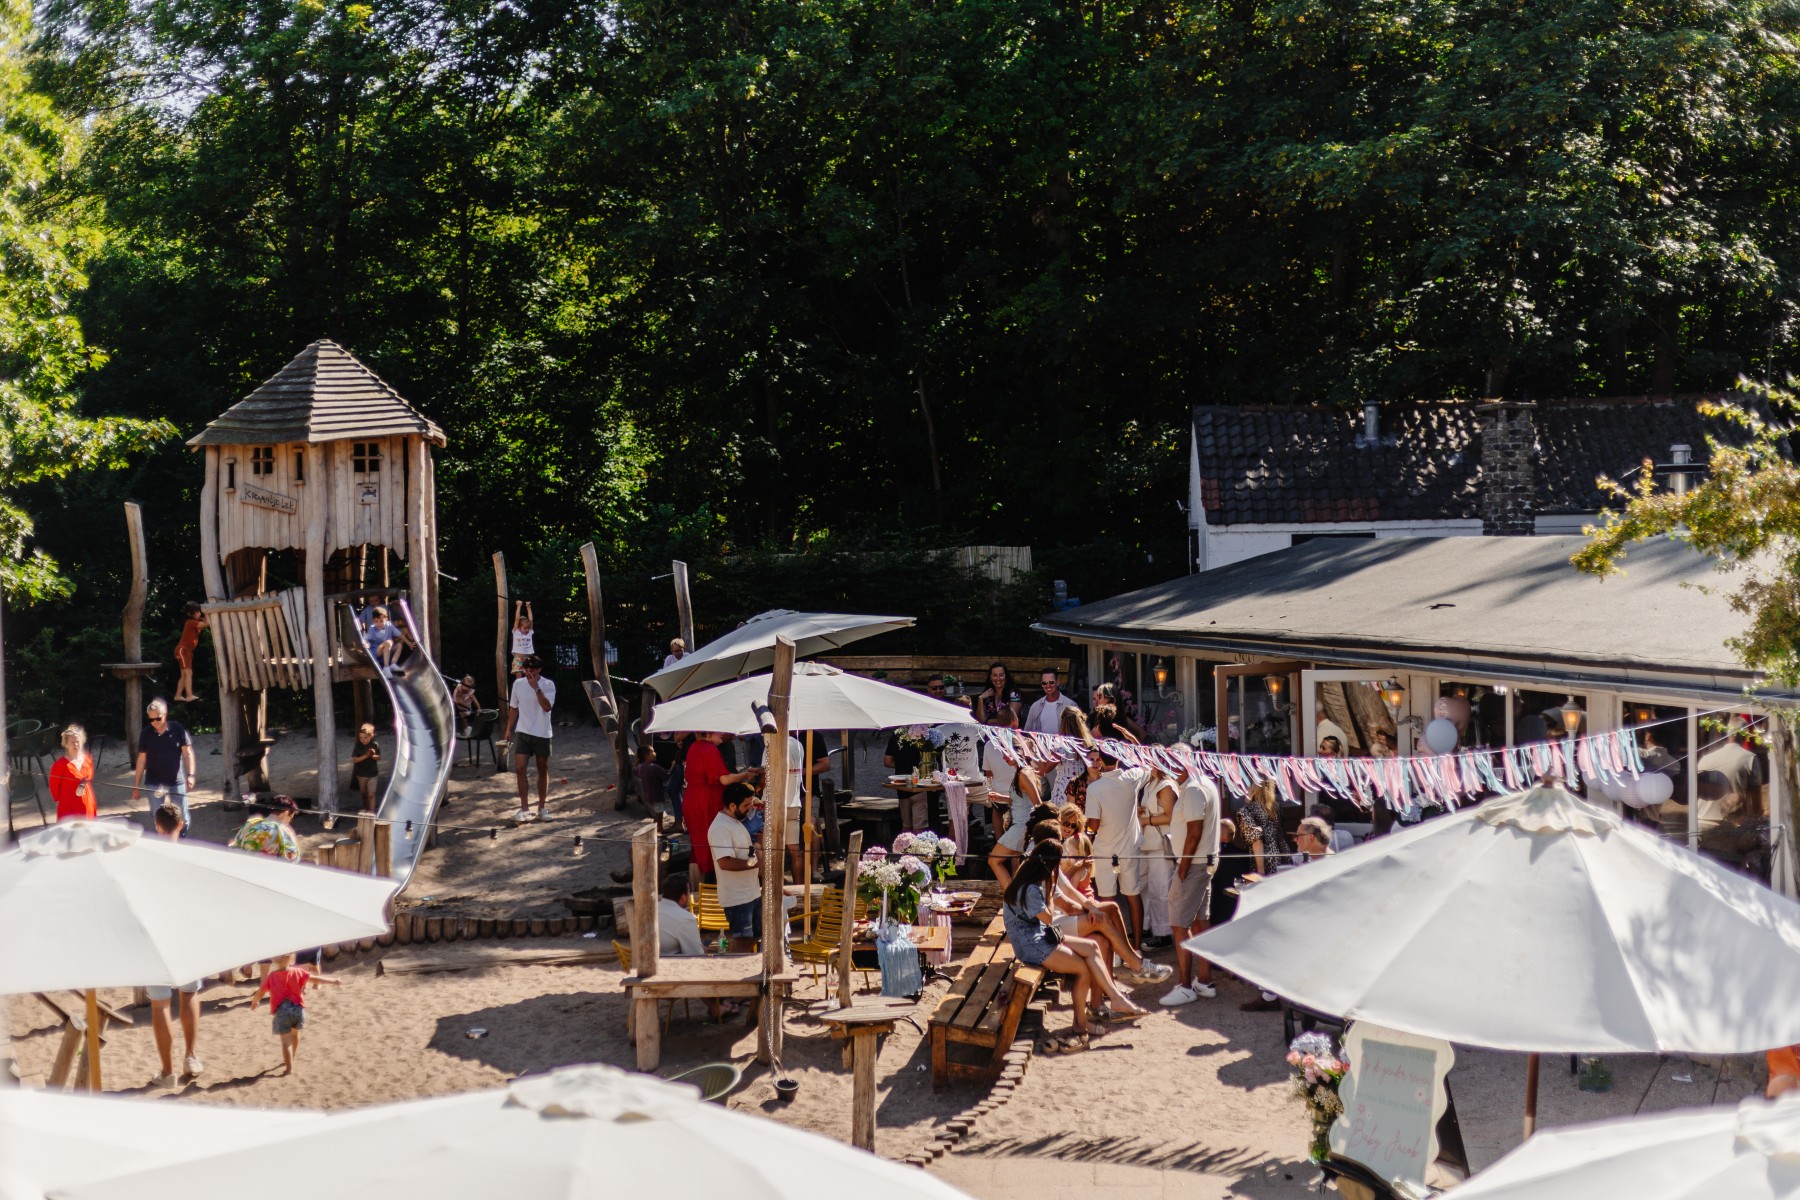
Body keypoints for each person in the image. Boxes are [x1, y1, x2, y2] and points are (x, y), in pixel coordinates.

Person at [1001, 841, 1148, 1053]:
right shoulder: (1030, 888)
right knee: (1084, 967)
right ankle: (1082, 1022)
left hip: (1039, 935)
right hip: (1030, 944)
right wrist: (1050, 890)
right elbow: (1049, 917)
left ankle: (1115, 999)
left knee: (1092, 948)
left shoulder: (1028, 878)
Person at [147, 803, 204, 1087]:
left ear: (157, 826)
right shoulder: (191, 858)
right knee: (189, 994)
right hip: (186, 934)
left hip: (156, 935)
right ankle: (191, 1056)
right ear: (180, 825)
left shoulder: (145, 858)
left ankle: (167, 1072)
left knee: (160, 1006)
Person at [1161, 769, 1223, 1006]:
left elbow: (1194, 832)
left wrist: (1183, 866)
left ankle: (1185, 985)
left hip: (1193, 864)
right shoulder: (1202, 783)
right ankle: (1204, 980)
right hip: (1201, 862)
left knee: (1179, 923)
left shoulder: (1194, 788)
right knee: (1199, 921)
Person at [1085, 745, 1146, 951]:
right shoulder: (1133, 777)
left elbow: (1092, 825)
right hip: (1129, 849)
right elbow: (1145, 760)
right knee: (1133, 896)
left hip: (1104, 851)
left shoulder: (1094, 789)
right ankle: (1136, 948)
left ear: (1100, 760)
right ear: (1120, 759)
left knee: (1107, 900)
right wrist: (1131, 740)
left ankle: (1113, 951)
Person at [252, 951, 343, 1075]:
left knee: (285, 1042)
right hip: (298, 1009)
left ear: (274, 960)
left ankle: (288, 1068)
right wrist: (333, 981)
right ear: (292, 959)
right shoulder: (298, 972)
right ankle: (292, 1057)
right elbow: (314, 978)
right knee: (295, 1036)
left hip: (282, 1011)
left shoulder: (272, 976)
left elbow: (260, 992)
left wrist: (255, 1002)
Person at [684, 732, 759, 877]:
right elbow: (724, 779)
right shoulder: (709, 749)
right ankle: (711, 884)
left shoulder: (694, 746)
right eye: (719, 731)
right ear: (710, 733)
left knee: (698, 846)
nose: (723, 734)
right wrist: (744, 775)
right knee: (710, 842)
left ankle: (696, 889)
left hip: (692, 798)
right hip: (705, 800)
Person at [764, 732, 827, 882]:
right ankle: (785, 881)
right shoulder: (784, 740)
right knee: (791, 846)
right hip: (792, 796)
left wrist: (800, 773)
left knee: (810, 826)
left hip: (808, 792)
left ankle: (814, 870)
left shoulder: (813, 736)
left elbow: (825, 764)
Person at [504, 655, 557, 821]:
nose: (529, 674)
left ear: (539, 670)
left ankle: (542, 808)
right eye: (527, 670)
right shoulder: (518, 684)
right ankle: (524, 808)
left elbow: (547, 707)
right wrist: (508, 730)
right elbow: (513, 708)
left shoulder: (548, 684)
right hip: (523, 732)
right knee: (519, 768)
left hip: (542, 733)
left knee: (542, 770)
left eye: (533, 671)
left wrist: (536, 688)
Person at [709, 783, 762, 951]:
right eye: (746, 805)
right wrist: (755, 864)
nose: (750, 809)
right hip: (737, 897)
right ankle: (733, 974)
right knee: (741, 942)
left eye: (751, 804)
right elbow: (724, 862)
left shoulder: (736, 821)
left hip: (751, 893)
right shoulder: (720, 828)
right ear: (732, 806)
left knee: (753, 938)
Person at [132, 698, 196, 829]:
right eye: (151, 719)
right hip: (154, 781)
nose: (154, 722)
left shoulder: (178, 729)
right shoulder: (146, 733)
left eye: (158, 718)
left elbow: (188, 753)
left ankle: (182, 839)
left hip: (176, 780)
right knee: (157, 816)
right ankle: (162, 841)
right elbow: (141, 759)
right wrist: (136, 785)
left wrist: (191, 775)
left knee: (182, 817)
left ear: (165, 715)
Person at [988, 750, 1045, 886]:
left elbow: (1038, 804)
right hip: (1022, 826)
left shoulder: (1024, 774)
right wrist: (1002, 798)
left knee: (994, 860)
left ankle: (1012, 896)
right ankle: (1017, 896)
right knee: (1020, 867)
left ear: (1019, 752)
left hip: (1022, 827)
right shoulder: (1023, 771)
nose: (1004, 757)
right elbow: (1024, 800)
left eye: (1007, 753)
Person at [49, 724, 97, 821]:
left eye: (78, 742)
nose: (76, 745)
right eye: (72, 742)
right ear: (66, 744)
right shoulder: (59, 765)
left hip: (87, 802)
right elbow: (54, 787)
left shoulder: (87, 759)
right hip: (69, 806)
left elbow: (89, 777)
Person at [231, 794, 301, 860]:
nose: (289, 821)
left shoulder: (250, 823)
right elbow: (292, 857)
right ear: (286, 813)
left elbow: (234, 847)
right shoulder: (283, 830)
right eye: (291, 817)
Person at [658, 873, 707, 956]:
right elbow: (696, 955)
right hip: (669, 965)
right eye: (688, 891)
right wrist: (704, 950)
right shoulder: (686, 918)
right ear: (683, 897)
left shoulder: (650, 909)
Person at [1025, 669, 1080, 734]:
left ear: (1057, 682)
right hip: (1041, 743)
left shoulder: (1070, 705)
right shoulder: (1035, 707)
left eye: (1051, 682)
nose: (1048, 686)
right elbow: (1027, 732)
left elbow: (1078, 733)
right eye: (1044, 683)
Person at [172, 602, 207, 702]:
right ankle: (189, 695)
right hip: (183, 650)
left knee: (184, 674)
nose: (199, 614)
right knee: (188, 673)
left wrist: (204, 615)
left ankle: (178, 695)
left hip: (187, 652)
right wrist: (207, 612)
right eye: (196, 613)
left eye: (199, 612)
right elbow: (207, 623)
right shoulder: (191, 622)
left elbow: (204, 622)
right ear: (190, 614)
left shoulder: (196, 621)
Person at [349, 723, 382, 812]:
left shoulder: (375, 744)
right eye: (361, 738)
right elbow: (355, 760)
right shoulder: (358, 746)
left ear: (370, 736)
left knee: (371, 794)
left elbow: (378, 757)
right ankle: (366, 809)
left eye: (365, 737)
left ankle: (372, 813)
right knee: (364, 794)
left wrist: (372, 755)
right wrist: (367, 755)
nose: (363, 740)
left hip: (373, 774)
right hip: (361, 774)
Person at [635, 743, 670, 819]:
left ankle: (657, 822)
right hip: (656, 793)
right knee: (659, 810)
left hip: (647, 794)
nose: (655, 753)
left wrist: (638, 761)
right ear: (647, 756)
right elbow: (666, 775)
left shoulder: (640, 767)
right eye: (652, 752)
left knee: (656, 809)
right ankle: (659, 826)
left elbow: (634, 770)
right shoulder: (655, 767)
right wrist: (673, 767)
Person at [363, 605, 404, 669]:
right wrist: (366, 643)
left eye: (381, 621)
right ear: (373, 621)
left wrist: (409, 643)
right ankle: (386, 668)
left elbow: (399, 634)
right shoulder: (372, 629)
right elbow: (365, 638)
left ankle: (393, 664)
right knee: (388, 643)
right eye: (376, 621)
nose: (378, 624)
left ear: (386, 619)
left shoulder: (389, 626)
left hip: (386, 653)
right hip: (376, 652)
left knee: (399, 645)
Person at [510, 601, 535, 676]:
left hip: (528, 659)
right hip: (519, 659)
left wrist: (528, 608)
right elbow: (517, 619)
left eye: (528, 628)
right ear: (519, 627)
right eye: (525, 628)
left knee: (530, 676)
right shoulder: (516, 632)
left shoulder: (530, 632)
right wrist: (518, 606)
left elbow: (531, 620)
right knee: (519, 677)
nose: (527, 630)